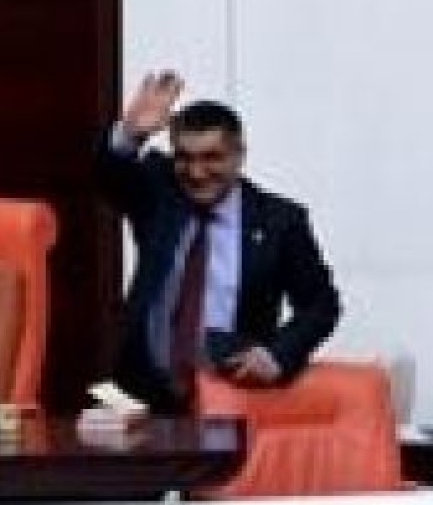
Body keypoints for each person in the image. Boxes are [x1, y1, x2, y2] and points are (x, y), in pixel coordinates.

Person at [97, 71, 342, 413]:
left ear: (239, 155)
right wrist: (130, 134)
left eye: (212, 157)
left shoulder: (279, 221)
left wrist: (276, 355)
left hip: (232, 393)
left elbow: (320, 304)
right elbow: (110, 176)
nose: (196, 173)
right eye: (184, 158)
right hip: (144, 395)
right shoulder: (159, 193)